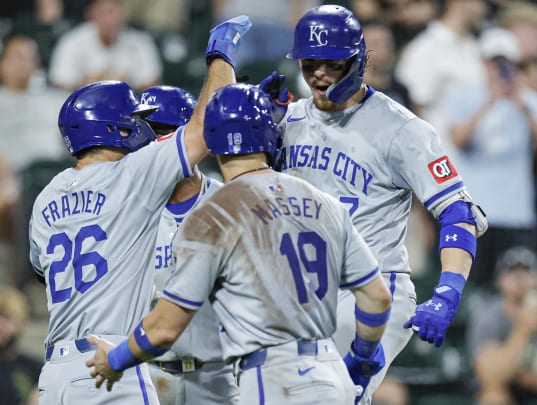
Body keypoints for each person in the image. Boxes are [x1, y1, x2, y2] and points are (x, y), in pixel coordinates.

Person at [86, 83, 394, 405]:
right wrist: (362, 357)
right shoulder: (325, 202)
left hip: (273, 377)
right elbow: (378, 297)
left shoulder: (213, 213)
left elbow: (165, 328)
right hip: (331, 371)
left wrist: (115, 360)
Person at [266, 5, 488, 403]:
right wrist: (254, 129)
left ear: (358, 60)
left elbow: (458, 212)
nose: (318, 73)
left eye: (330, 63)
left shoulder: (402, 129)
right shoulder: (291, 119)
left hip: (372, 289)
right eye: (309, 62)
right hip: (306, 291)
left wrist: (448, 291)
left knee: (329, 396)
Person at [28, 15, 252, 404]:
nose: (143, 129)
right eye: (134, 120)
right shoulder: (133, 176)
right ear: (116, 128)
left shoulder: (47, 195)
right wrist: (221, 56)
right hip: (110, 367)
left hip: (54, 375)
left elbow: (39, 269)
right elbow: (204, 126)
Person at [139, 85, 238, 405]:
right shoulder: (128, 209)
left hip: (218, 376)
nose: (151, 142)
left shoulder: (231, 202)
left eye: (161, 131)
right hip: (146, 374)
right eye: (144, 132)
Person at [443, 27, 537, 286]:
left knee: (518, 287)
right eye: (494, 62)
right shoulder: (463, 99)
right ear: (484, 63)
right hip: (473, 212)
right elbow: (458, 140)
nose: (500, 69)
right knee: (472, 288)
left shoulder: (530, 101)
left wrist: (524, 108)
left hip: (516, 212)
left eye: (506, 63)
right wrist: (490, 101)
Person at [0, 35, 68, 246]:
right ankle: (20, 263)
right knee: (3, 201)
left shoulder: (59, 100)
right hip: (7, 174)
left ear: (36, 65)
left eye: (28, 58)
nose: (23, 63)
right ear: (0, 66)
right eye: (16, 57)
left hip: (53, 178)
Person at [468, 247, 537, 405]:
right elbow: (489, 376)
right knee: (492, 397)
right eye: (511, 272)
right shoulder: (488, 318)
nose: (519, 278)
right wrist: (523, 330)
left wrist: (526, 378)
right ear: (499, 281)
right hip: (504, 389)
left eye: (526, 272)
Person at [394, 0, 487, 135]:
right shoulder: (425, 48)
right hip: (439, 149)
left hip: (476, 150)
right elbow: (409, 109)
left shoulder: (474, 46)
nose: (483, 8)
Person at [48, 0, 162, 92]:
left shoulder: (139, 41)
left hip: (129, 110)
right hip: (83, 110)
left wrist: (122, 87)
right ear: (91, 13)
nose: (111, 19)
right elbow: (60, 83)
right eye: (106, 12)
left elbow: (152, 84)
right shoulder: (73, 41)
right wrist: (94, 85)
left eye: (116, 11)